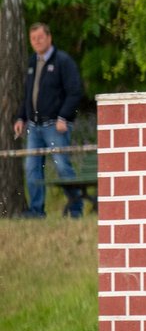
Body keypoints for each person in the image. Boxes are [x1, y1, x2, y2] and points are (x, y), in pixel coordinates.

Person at [12, 22, 85, 218]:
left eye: (40, 38)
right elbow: (29, 94)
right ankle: (36, 211)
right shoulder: (32, 63)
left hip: (56, 126)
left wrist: (64, 117)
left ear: (49, 38)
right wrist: (21, 117)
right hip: (34, 127)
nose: (37, 42)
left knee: (62, 166)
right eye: (33, 39)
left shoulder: (63, 61)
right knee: (31, 168)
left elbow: (75, 92)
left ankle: (76, 209)